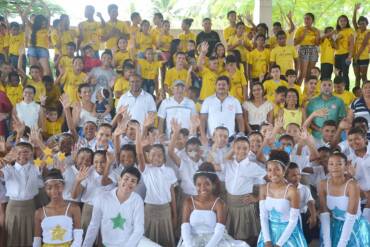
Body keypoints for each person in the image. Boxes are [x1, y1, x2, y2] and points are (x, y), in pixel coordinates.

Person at [83, 166, 160, 247]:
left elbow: (139, 229)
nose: (129, 183)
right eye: (126, 179)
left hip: (133, 243)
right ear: (119, 180)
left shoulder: (137, 200)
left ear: (137, 185)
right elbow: (94, 226)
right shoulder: (102, 198)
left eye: (133, 181)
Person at [179, 162, 249, 247]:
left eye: (207, 184)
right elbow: (185, 228)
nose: (202, 188)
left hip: (214, 240)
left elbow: (219, 231)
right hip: (191, 240)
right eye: (199, 185)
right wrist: (189, 245)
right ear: (195, 185)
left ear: (213, 185)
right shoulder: (189, 202)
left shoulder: (219, 203)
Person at [136, 125, 177, 247]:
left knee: (166, 239)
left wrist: (174, 215)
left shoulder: (169, 171)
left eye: (159, 155)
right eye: (152, 155)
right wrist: (139, 135)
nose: (156, 158)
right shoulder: (146, 170)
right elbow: (139, 154)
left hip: (165, 210)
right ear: (148, 157)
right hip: (149, 209)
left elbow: (172, 194)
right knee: (149, 240)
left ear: (164, 158)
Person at [257, 150, 308, 246]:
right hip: (269, 231)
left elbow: (293, 221)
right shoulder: (263, 188)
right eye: (269, 170)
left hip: (288, 233)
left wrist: (279, 244)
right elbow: (263, 217)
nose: (273, 173)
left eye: (277, 169)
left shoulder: (292, 191)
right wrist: (267, 240)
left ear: (284, 171)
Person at [319, 152, 370, 246]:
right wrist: (327, 242)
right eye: (331, 164)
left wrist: (342, 244)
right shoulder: (322, 184)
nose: (335, 167)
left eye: (339, 164)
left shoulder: (352, 185)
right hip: (334, 226)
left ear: (346, 166)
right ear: (327, 166)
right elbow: (324, 214)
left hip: (353, 227)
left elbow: (351, 217)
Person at [0, 142, 44, 247]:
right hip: (13, 207)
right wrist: (6, 159)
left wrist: (40, 143)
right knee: (13, 233)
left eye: (26, 152)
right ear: (14, 154)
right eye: (18, 152)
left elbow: (49, 159)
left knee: (30, 232)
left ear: (31, 154)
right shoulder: (8, 169)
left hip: (30, 205)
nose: (22, 155)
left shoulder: (35, 167)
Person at [33, 169, 83, 247]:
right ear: (45, 189)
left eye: (58, 186)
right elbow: (37, 240)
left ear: (63, 186)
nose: (54, 191)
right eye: (49, 188)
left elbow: (78, 238)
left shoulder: (74, 208)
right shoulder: (39, 212)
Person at [294, 13, 320, 84]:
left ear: (312, 20)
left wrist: (316, 33)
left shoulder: (316, 30)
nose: (306, 20)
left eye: (308, 18)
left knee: (309, 75)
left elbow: (317, 43)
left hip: (313, 50)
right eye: (305, 19)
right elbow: (295, 43)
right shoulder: (300, 29)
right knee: (302, 74)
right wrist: (303, 35)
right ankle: (297, 92)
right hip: (303, 49)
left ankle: (307, 93)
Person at [334, 15, 354, 90]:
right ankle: (337, 90)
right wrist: (335, 38)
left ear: (347, 22)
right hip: (337, 55)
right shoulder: (337, 31)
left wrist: (349, 56)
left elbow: (352, 44)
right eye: (341, 21)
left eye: (344, 20)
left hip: (345, 55)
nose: (342, 22)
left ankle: (346, 90)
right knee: (337, 74)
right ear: (338, 22)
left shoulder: (349, 30)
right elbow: (334, 44)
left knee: (345, 74)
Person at [352, 3, 370, 87]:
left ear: (367, 24)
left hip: (363, 57)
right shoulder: (358, 30)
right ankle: (357, 94)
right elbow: (353, 21)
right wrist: (355, 10)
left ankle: (367, 92)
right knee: (357, 77)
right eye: (360, 23)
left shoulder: (368, 32)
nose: (361, 25)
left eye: (363, 23)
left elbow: (363, 45)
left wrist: (356, 57)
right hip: (355, 57)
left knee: (363, 76)